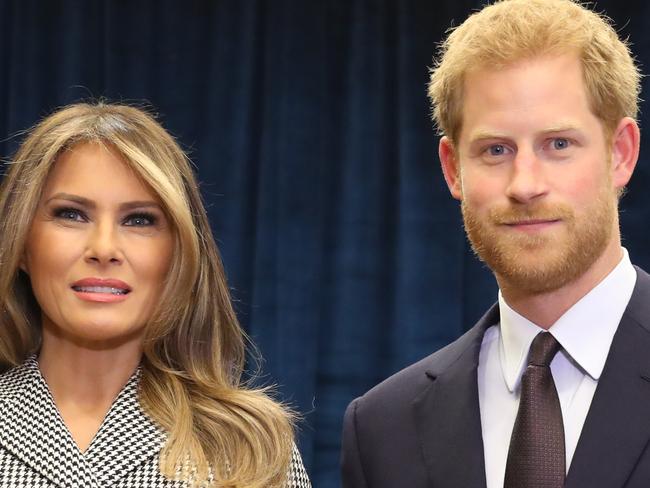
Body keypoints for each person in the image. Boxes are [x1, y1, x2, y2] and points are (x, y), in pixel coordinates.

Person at [341, 0, 649, 487]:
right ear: (452, 169)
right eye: (496, 150)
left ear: (621, 154)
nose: (524, 184)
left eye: (559, 144)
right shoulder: (382, 429)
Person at [0, 102, 311, 488]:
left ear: (178, 254)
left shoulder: (251, 447)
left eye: (139, 220)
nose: (104, 247)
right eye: (72, 214)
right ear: (23, 243)